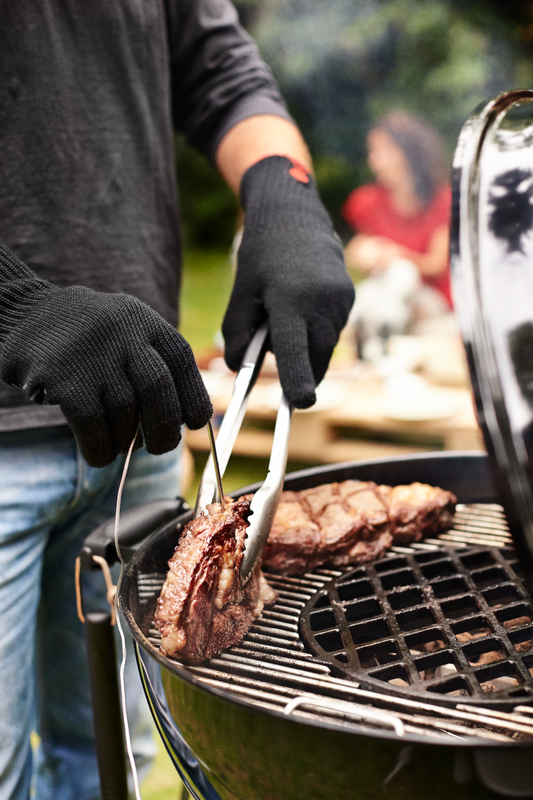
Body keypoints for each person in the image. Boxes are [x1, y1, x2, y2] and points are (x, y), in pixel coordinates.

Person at [0, 3, 355, 799]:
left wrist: (285, 195)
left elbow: (222, 72)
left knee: (114, 759)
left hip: (142, 420)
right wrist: (10, 303)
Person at [342, 111, 452, 348]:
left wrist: (395, 255)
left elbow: (436, 265)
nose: (373, 161)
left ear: (406, 153)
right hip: (384, 295)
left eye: (380, 150)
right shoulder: (367, 201)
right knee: (377, 289)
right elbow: (360, 253)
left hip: (428, 301)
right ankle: (365, 337)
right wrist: (360, 253)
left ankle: (372, 338)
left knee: (403, 273)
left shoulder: (442, 200)